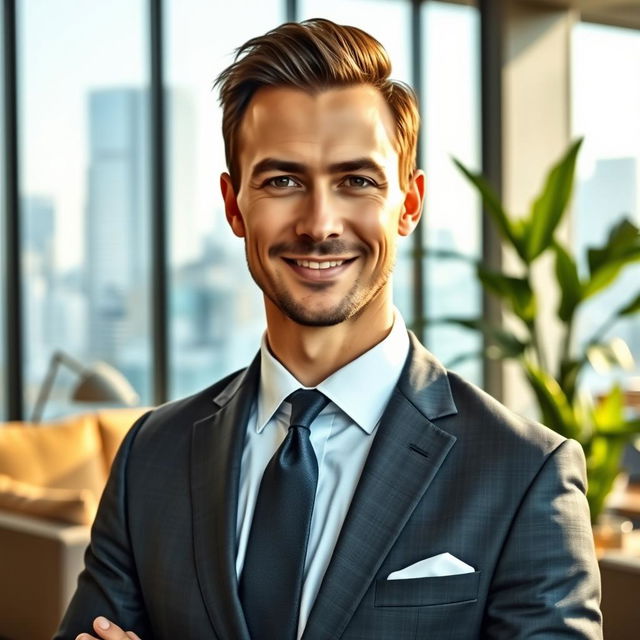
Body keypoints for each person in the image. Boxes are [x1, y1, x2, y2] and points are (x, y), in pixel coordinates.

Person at [56, 18, 602, 640]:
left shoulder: (526, 472)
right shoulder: (150, 455)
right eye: (283, 180)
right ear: (235, 206)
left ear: (410, 204)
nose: (319, 223)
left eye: (357, 181)